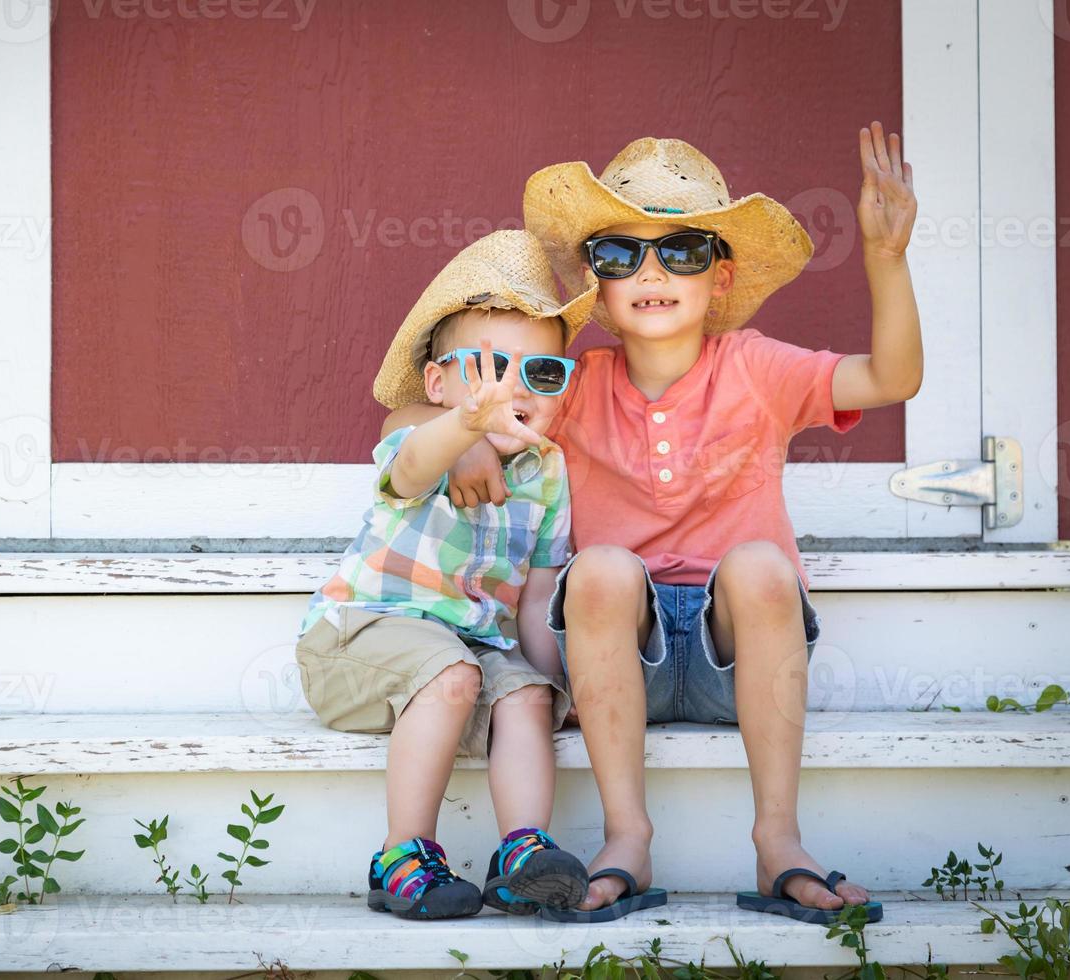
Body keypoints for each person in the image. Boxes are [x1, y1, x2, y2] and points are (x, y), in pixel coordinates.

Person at [384, 125, 920, 924]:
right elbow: (406, 408)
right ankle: (626, 836)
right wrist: (459, 438)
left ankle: (779, 840)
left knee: (761, 566)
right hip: (611, 650)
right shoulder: (571, 383)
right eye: (619, 256)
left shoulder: (757, 367)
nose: (651, 272)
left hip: (734, 656)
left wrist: (886, 257)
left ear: (721, 273)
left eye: (683, 252)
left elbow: (892, 377)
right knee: (598, 565)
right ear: (595, 286)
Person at [294, 230, 596, 920]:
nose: (512, 389)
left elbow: (541, 592)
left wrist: (561, 681)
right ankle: (402, 853)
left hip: (465, 653)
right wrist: (461, 433)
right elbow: (412, 465)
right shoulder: (421, 442)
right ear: (438, 384)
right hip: (358, 641)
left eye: (542, 373)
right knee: (452, 672)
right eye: (489, 368)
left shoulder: (546, 471)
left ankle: (523, 852)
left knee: (524, 695)